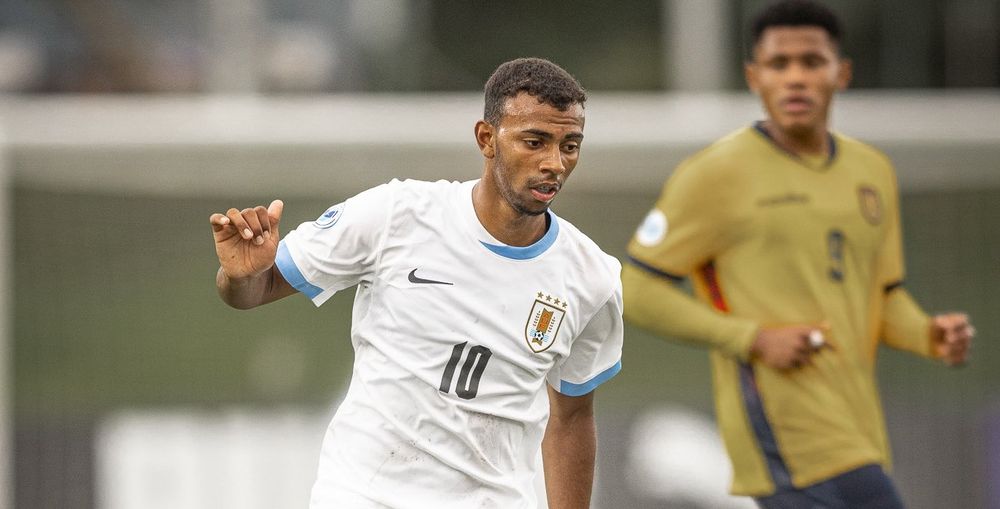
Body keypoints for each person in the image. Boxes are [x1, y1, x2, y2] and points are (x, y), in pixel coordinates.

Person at [209, 57, 623, 509]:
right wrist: (241, 274)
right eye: (535, 141)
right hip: (366, 495)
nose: (555, 163)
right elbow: (254, 292)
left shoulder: (592, 278)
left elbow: (573, 416)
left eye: (570, 145)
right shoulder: (396, 214)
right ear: (487, 138)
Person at [622, 1, 975, 508]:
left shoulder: (871, 171)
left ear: (841, 73)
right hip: (781, 427)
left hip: (858, 427)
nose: (795, 78)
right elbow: (637, 289)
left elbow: (882, 297)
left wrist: (928, 335)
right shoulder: (717, 174)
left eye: (811, 62)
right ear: (754, 77)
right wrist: (752, 339)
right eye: (778, 64)